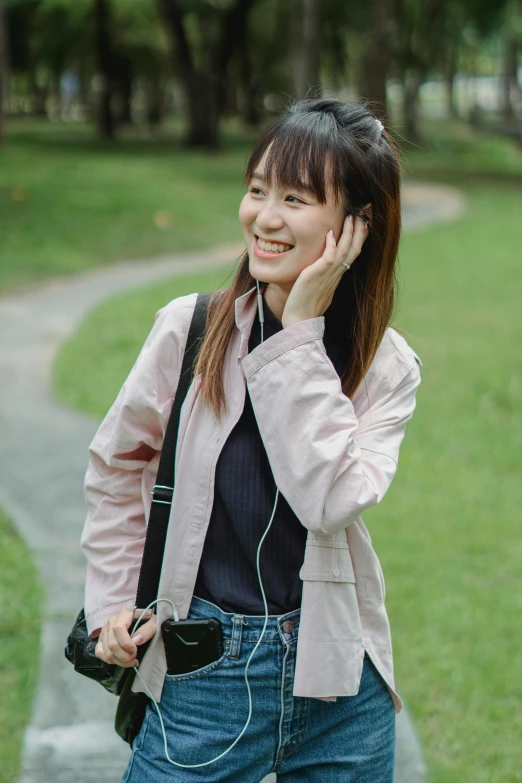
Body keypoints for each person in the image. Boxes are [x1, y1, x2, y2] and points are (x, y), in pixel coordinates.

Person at [82, 98, 422, 782]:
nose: (264, 217)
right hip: (203, 672)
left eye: (294, 197)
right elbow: (120, 466)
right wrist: (114, 599)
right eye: (258, 189)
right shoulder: (191, 331)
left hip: (339, 682)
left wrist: (299, 335)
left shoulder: (387, 368)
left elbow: (331, 499)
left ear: (358, 224)